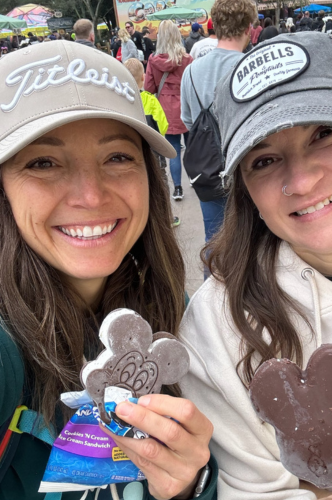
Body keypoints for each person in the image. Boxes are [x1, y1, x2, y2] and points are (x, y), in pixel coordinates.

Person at [180, 30, 332, 500]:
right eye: (264, 160)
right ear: (245, 191)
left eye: (325, 132)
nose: (301, 181)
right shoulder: (218, 329)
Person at [0, 40, 216, 500]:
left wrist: (188, 486)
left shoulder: (164, 310)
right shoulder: (5, 352)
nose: (91, 196)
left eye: (117, 157)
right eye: (43, 162)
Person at [181, 0, 257, 244]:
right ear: (248, 28)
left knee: (215, 241)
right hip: (249, 168)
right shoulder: (253, 66)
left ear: (216, 25)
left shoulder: (191, 70)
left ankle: (216, 281)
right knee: (254, 240)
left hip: (209, 168)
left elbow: (188, 120)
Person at [124, 57, 180, 228]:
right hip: (154, 153)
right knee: (160, 185)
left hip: (130, 154)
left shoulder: (122, 101)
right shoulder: (150, 100)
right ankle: (167, 218)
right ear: (143, 78)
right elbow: (162, 126)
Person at [145, 20, 192, 202]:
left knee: (173, 151)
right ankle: (194, 178)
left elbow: (149, 88)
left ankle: (178, 189)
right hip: (186, 107)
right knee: (191, 147)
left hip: (165, 110)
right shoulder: (187, 59)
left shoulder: (153, 60)